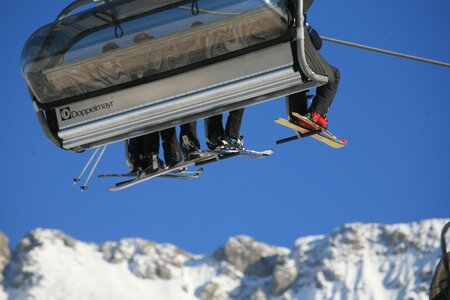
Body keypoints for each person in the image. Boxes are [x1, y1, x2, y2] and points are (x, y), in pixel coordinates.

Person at [287, 21, 340, 129]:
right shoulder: (295, 16)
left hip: (273, 64)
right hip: (297, 60)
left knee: (296, 76)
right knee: (334, 75)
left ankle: (298, 114)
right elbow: (318, 44)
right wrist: (305, 24)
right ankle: (317, 113)